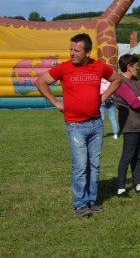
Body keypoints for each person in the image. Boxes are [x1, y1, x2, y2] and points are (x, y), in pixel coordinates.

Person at [35, 33, 121, 216]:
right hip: (75, 125)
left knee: (94, 165)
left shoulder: (99, 67)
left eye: (76, 50)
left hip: (96, 124)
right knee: (81, 165)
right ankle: (80, 204)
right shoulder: (64, 68)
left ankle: (91, 201)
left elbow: (117, 79)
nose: (72, 53)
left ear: (88, 52)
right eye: (71, 49)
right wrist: (56, 102)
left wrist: (104, 97)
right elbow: (41, 81)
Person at [113, 54, 140, 199]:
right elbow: (134, 103)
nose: (138, 67)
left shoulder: (135, 81)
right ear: (129, 66)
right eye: (136, 65)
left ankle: (139, 185)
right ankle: (121, 188)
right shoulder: (120, 82)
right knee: (127, 156)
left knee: (137, 156)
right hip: (130, 125)